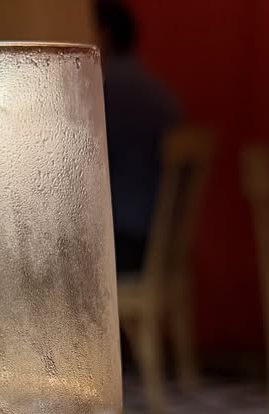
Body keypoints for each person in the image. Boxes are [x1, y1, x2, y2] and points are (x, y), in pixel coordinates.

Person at [95, 0, 183, 273]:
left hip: (128, 246)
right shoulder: (159, 92)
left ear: (102, 35)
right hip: (161, 245)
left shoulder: (104, 92)